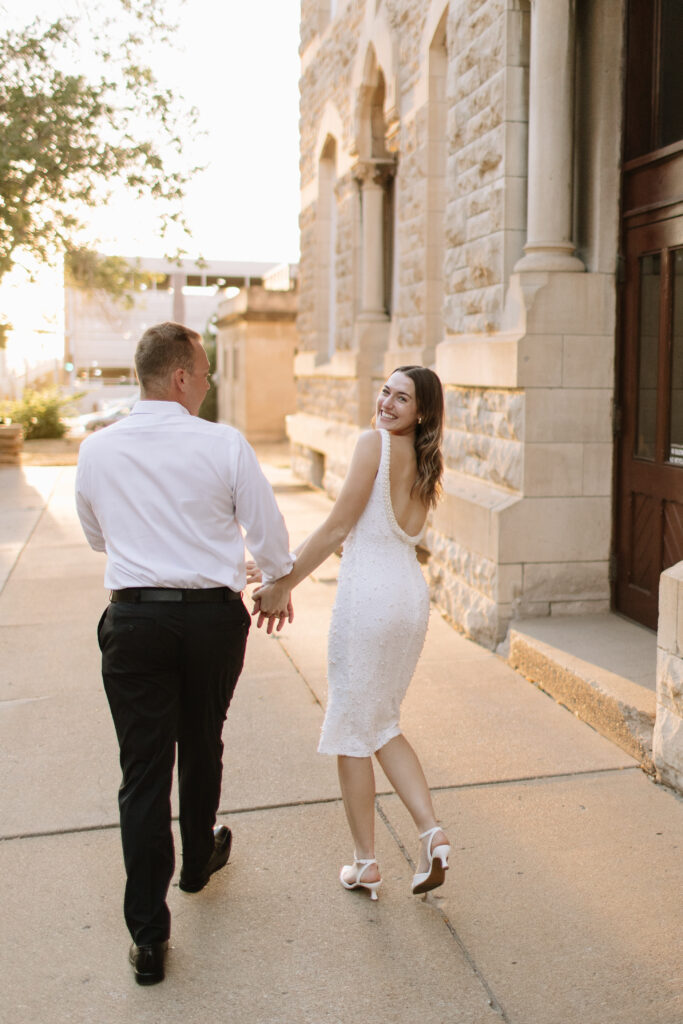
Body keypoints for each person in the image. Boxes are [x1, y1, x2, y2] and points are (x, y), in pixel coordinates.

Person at [75, 321, 293, 985]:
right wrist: (274, 576)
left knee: (143, 771)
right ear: (178, 377)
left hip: (135, 619)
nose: (207, 385)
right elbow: (271, 537)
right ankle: (197, 861)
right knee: (202, 740)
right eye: (202, 375)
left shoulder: (96, 450)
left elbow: (94, 538)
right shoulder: (222, 444)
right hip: (208, 623)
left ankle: (148, 937)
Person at [252, 366, 450, 901]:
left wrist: (282, 583)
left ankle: (366, 863)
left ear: (420, 412)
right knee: (381, 723)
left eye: (401, 398)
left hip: (370, 604)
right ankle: (433, 834)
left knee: (350, 730)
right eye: (385, 390)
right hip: (408, 599)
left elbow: (338, 526)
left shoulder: (375, 444)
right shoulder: (426, 463)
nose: (386, 402)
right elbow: (374, 534)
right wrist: (275, 570)